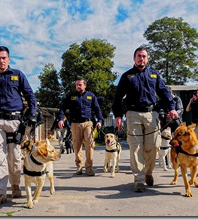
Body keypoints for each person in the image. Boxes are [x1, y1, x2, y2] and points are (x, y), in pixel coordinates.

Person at [112, 47, 178, 192]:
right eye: (139, 56)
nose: (141, 58)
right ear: (134, 58)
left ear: (147, 58)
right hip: (132, 114)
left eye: (144, 56)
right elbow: (117, 98)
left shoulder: (154, 75)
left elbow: (164, 92)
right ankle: (139, 179)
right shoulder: (127, 76)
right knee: (136, 148)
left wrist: (171, 108)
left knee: (153, 146)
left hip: (151, 114)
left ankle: (148, 173)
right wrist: (118, 115)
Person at [0, 46, 37, 206]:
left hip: (16, 121)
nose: (1, 60)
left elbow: (30, 96)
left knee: (15, 156)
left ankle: (15, 185)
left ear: (9, 59)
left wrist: (32, 114)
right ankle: (0, 193)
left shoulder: (18, 75)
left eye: (4, 58)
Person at [58, 78, 104, 176]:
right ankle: (79, 168)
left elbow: (97, 109)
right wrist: (61, 119)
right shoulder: (71, 96)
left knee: (89, 146)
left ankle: (89, 168)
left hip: (88, 123)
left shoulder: (91, 96)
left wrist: (100, 120)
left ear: (85, 85)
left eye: (80, 84)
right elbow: (62, 107)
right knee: (77, 146)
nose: (78, 86)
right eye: (77, 85)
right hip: (75, 124)